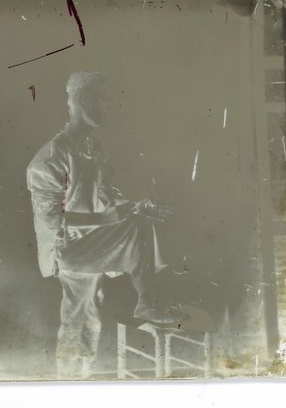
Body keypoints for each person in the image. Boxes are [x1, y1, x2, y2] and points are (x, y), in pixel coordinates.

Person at [26, 71, 181, 379]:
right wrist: (105, 219)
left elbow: (109, 197)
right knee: (80, 314)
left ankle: (76, 378)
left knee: (85, 314)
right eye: (106, 100)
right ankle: (146, 303)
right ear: (85, 101)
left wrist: (137, 208)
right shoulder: (53, 156)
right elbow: (51, 218)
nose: (111, 106)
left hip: (94, 242)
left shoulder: (93, 149)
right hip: (67, 249)